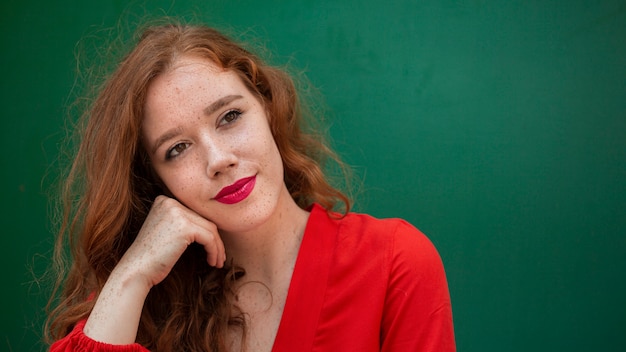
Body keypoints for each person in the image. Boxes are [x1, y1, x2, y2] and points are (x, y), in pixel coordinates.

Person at [45, 20, 456, 352]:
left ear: (268, 108)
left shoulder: (393, 263)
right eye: (177, 149)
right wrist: (131, 276)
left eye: (229, 117)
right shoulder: (138, 300)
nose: (218, 159)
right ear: (155, 181)